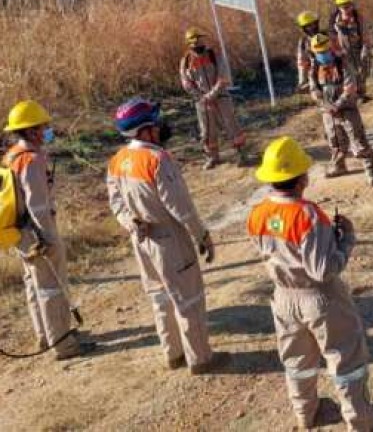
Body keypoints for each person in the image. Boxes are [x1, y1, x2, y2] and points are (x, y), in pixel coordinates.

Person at [247, 136, 373, 431]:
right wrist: (345, 242)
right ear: (301, 178)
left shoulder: (258, 214)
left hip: (283, 298)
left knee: (297, 361)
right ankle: (360, 422)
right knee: (346, 360)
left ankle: (306, 414)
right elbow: (323, 270)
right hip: (319, 298)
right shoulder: (308, 215)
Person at [107, 98, 228, 374]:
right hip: (169, 239)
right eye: (156, 122)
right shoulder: (157, 159)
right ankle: (201, 359)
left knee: (159, 298)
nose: (162, 127)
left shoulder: (117, 161)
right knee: (188, 299)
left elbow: (116, 204)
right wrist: (202, 236)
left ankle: (173, 354)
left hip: (141, 239)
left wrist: (132, 223)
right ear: (146, 129)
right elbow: (181, 207)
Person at [3, 100, 93, 360]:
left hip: (20, 233)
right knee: (52, 287)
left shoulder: (11, 155)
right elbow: (38, 205)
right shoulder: (30, 160)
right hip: (37, 232)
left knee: (34, 285)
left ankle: (46, 335)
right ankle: (63, 345)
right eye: (43, 127)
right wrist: (48, 238)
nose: (47, 131)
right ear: (31, 131)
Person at [309, 34, 373, 185]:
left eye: (324, 51)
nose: (322, 55)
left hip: (347, 109)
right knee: (335, 142)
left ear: (330, 48)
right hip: (328, 112)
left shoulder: (343, 63)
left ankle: (370, 169)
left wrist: (338, 105)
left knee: (358, 140)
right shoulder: (314, 67)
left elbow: (350, 86)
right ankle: (339, 166)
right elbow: (314, 90)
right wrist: (326, 105)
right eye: (319, 53)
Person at [179, 27, 246, 170]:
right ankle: (212, 157)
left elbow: (223, 76)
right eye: (194, 41)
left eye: (200, 39)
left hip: (221, 97)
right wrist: (201, 96)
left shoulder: (214, 55)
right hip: (202, 102)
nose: (198, 44)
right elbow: (186, 83)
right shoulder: (186, 61)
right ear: (189, 43)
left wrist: (212, 93)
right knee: (208, 131)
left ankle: (242, 154)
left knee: (231, 126)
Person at [330, 0, 371, 102]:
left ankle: (362, 94)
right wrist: (336, 52)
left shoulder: (358, 18)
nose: (346, 9)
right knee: (349, 74)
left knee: (362, 71)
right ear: (339, 7)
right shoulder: (334, 21)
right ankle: (352, 95)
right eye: (343, 7)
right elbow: (332, 38)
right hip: (343, 52)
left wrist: (365, 49)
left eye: (348, 6)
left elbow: (365, 34)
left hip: (358, 49)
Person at [295, 11, 328, 93]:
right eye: (308, 26)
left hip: (332, 66)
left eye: (312, 24)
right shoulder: (303, 42)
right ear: (303, 28)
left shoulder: (326, 35)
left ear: (316, 23)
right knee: (316, 92)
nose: (311, 27)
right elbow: (301, 62)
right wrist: (302, 81)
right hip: (314, 69)